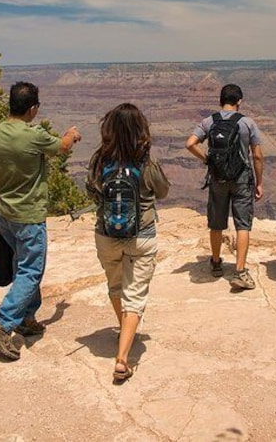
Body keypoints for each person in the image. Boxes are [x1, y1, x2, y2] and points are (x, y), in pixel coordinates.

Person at [0, 81, 81, 361]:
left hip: (5, 215)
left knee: (20, 265)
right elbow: (61, 147)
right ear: (33, 108)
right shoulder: (33, 135)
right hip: (29, 216)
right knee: (31, 271)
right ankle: (3, 323)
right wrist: (72, 134)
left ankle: (27, 318)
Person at [85, 103, 170, 383]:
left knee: (116, 287)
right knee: (135, 297)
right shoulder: (144, 161)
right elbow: (163, 190)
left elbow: (91, 192)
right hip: (141, 235)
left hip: (106, 235)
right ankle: (122, 359)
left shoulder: (99, 161)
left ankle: (125, 332)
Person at [186, 84, 264, 289]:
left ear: (221, 100)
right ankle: (240, 271)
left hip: (217, 178)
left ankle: (216, 262)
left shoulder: (209, 121)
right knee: (242, 225)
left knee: (216, 223)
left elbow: (190, 143)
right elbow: (257, 155)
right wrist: (260, 182)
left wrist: (207, 160)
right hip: (241, 179)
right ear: (239, 101)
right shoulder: (247, 123)